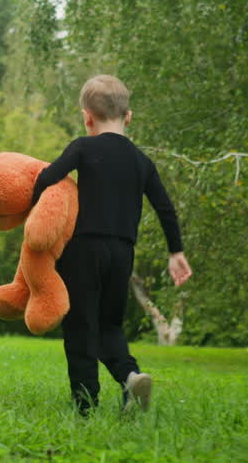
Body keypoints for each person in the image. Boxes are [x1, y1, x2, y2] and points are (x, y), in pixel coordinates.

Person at [31, 74, 192, 415]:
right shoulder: (141, 161)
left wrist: (31, 211)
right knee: (109, 326)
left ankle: (85, 406)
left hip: (83, 250)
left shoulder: (82, 147)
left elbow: (47, 179)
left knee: (80, 327)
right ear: (128, 116)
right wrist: (176, 252)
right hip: (122, 254)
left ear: (86, 116)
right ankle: (130, 377)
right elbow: (165, 207)